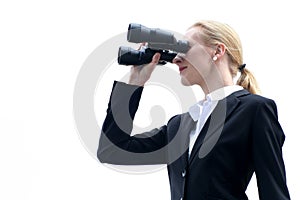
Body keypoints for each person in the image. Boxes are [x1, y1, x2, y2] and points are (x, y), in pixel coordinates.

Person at [97, 20, 291, 200]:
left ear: (218, 50)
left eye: (184, 47)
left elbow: (273, 191)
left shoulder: (253, 110)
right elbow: (112, 150)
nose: (176, 59)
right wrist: (135, 82)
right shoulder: (179, 125)